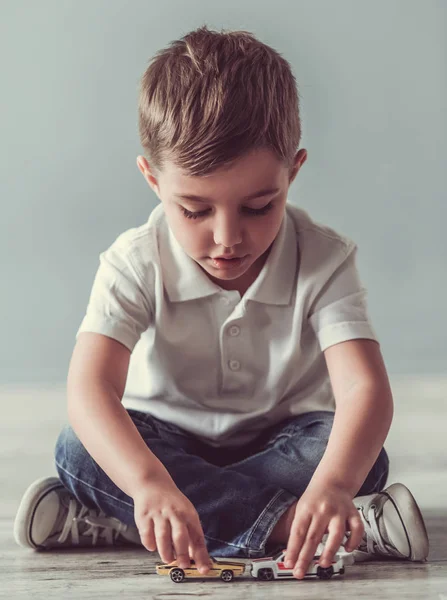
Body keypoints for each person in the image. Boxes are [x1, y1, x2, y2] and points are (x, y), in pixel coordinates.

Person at [13, 25, 428, 580]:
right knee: (79, 450)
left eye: (259, 207)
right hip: (165, 441)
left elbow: (363, 389)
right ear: (152, 179)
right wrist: (149, 484)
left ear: (293, 172)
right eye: (194, 210)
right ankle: (324, 528)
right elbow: (90, 388)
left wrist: (330, 485)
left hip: (284, 439)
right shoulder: (134, 260)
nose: (227, 238)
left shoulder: (324, 258)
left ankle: (125, 520)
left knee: (357, 456)